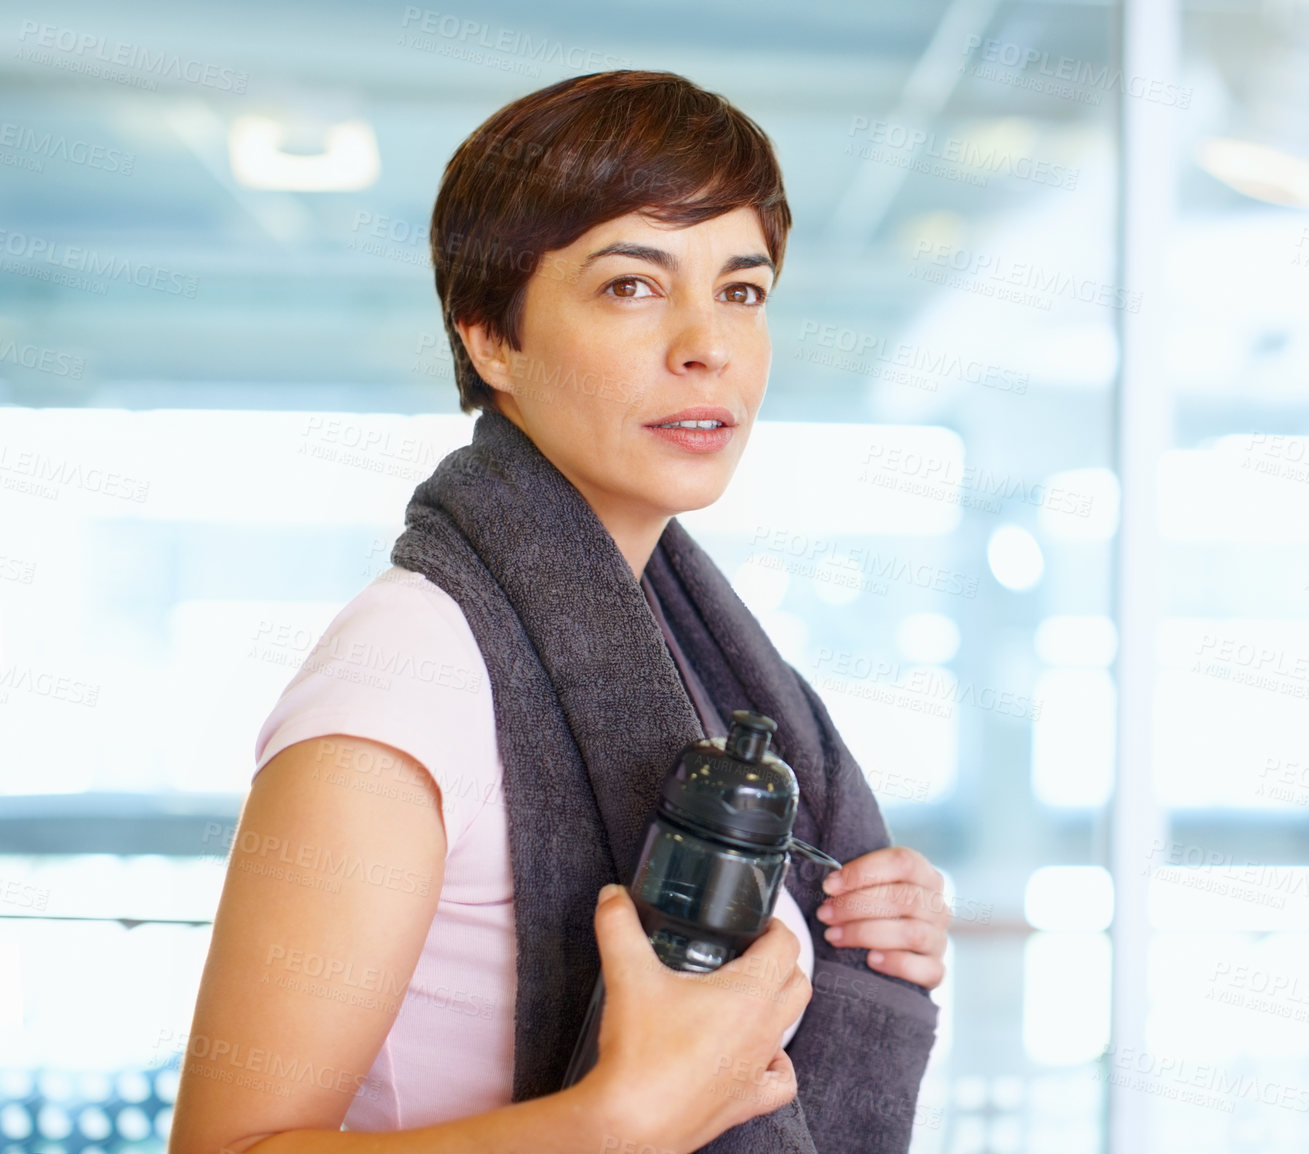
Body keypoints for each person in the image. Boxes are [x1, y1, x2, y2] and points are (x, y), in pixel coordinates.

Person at [170, 70, 949, 1154]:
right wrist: (611, 1122)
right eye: (632, 285)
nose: (707, 343)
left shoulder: (691, 652)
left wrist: (845, 920)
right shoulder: (409, 667)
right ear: (492, 336)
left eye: (742, 289)